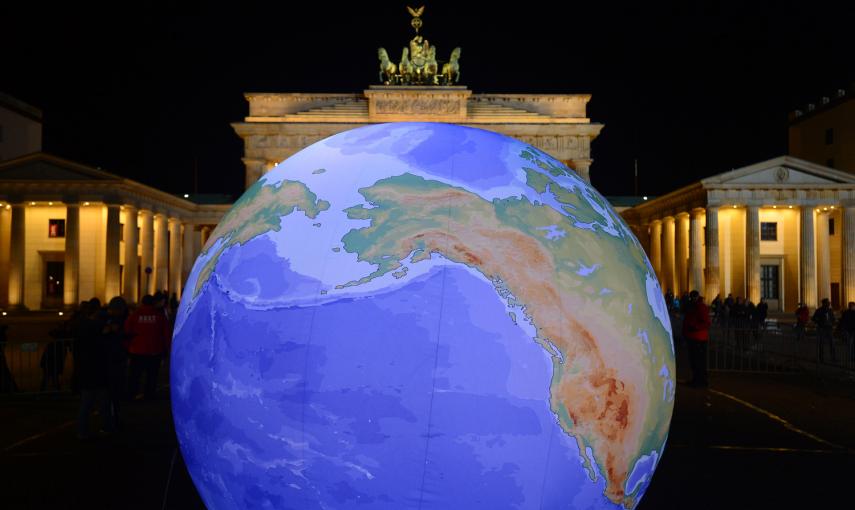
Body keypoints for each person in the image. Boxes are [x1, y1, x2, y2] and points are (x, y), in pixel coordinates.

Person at [75, 301, 113, 439]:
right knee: (103, 402)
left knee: (86, 404)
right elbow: (108, 334)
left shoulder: (81, 326)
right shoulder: (98, 327)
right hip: (98, 369)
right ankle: (107, 427)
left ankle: (82, 431)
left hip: (85, 369)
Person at [125, 294, 170, 401]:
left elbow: (127, 331)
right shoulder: (159, 316)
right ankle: (149, 395)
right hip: (154, 351)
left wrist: (128, 348)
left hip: (137, 351)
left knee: (135, 375)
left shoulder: (135, 315)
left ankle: (132, 394)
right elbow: (166, 334)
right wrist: (167, 350)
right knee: (152, 376)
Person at [682, 290, 712, 387]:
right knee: (695, 361)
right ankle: (697, 379)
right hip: (694, 337)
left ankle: (700, 381)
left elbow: (706, 322)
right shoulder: (694, 307)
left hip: (698, 337)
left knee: (698, 361)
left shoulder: (700, 307)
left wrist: (694, 326)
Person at [812, 298, 836, 363]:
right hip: (822, 328)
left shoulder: (830, 310)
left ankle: (833, 357)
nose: (829, 303)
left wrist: (832, 323)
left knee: (832, 343)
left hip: (829, 328)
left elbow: (833, 318)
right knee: (821, 344)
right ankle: (821, 358)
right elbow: (814, 318)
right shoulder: (819, 310)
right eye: (828, 302)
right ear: (824, 303)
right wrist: (819, 322)